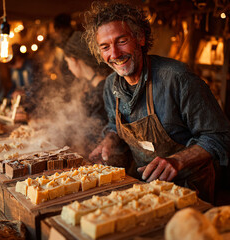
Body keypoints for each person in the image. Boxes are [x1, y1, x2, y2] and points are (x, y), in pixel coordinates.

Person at [85, 1, 230, 202]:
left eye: (122, 40)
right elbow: (114, 124)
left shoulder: (177, 79)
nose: (115, 54)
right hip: (144, 189)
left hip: (189, 191)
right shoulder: (111, 85)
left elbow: (220, 136)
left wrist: (178, 161)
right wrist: (108, 141)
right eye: (105, 46)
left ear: (140, 38)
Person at [63, 31, 111, 131]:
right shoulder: (91, 85)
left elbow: (93, 129)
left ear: (74, 60)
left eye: (68, 62)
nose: (69, 68)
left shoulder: (102, 90)